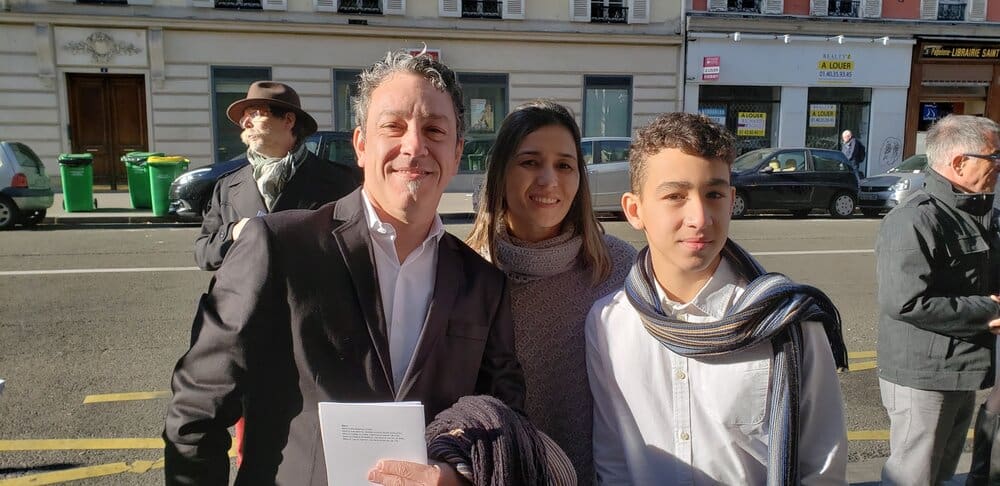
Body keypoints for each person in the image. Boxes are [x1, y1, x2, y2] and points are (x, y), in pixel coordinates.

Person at [163, 50, 525, 485]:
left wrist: (455, 474)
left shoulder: (482, 283)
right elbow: (197, 409)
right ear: (360, 145)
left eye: (434, 130)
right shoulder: (279, 246)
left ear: (457, 151)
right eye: (393, 126)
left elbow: (504, 417)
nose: (414, 146)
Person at [586, 112, 849, 484]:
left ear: (731, 200)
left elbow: (822, 469)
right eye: (675, 196)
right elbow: (613, 462)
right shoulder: (608, 324)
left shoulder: (788, 320)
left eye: (713, 194)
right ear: (635, 210)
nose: (699, 217)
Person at [465, 100, 636, 484]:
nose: (548, 180)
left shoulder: (621, 268)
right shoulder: (465, 275)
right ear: (500, 174)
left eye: (564, 165)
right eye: (529, 162)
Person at [875, 114, 1000, 486]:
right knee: (913, 475)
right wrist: (991, 310)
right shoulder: (915, 219)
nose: (999, 167)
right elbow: (905, 301)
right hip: (924, 374)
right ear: (960, 162)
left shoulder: (975, 212)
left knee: (940, 473)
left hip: (960, 367)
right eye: (995, 157)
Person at [193, 81, 360, 271]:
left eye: (255, 114)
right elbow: (203, 253)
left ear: (288, 120)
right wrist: (234, 231)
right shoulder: (227, 186)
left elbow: (358, 250)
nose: (246, 123)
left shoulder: (339, 181)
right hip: (246, 299)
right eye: (244, 118)